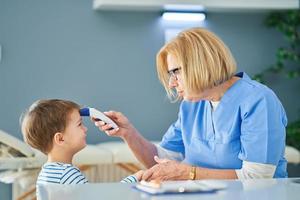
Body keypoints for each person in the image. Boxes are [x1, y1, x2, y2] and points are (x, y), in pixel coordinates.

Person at [95, 27, 288, 182]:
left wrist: (187, 173)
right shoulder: (192, 105)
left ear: (201, 64)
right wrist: (129, 134)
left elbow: (257, 178)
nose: (171, 83)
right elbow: (162, 159)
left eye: (175, 72)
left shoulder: (258, 100)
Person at [21, 99, 141, 189]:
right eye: (79, 124)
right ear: (60, 139)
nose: (85, 129)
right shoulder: (67, 174)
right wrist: (134, 179)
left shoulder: (47, 172)